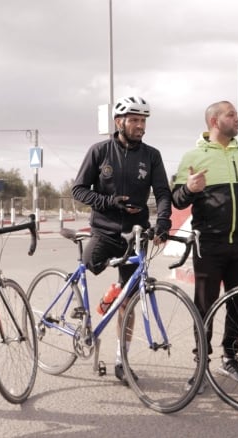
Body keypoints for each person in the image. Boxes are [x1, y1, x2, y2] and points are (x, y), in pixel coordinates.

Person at [171, 101, 238, 391]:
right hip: (209, 246)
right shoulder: (193, 156)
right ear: (215, 121)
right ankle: (201, 365)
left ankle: (230, 357)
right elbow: (177, 200)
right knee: (204, 307)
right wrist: (189, 189)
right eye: (232, 115)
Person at [71, 95, 172, 385]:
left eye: (144, 121)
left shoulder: (151, 155)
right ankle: (102, 299)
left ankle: (121, 360)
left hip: (136, 234)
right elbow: (79, 190)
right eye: (135, 120)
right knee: (89, 266)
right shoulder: (100, 151)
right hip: (104, 230)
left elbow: (163, 193)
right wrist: (109, 201)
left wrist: (162, 222)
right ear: (120, 122)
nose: (141, 126)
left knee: (129, 300)